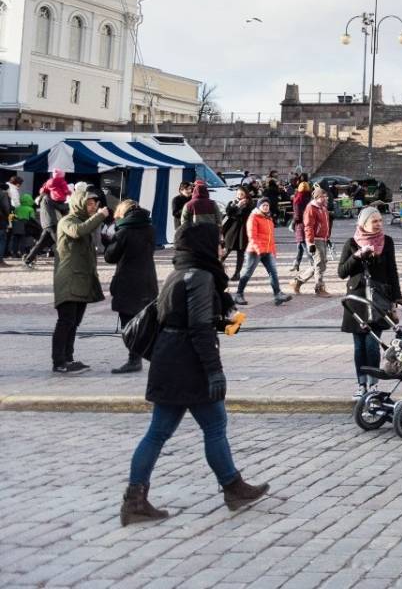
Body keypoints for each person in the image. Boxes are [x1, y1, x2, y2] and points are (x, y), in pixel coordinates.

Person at [120, 222, 269, 526]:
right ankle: (232, 488)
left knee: (159, 432)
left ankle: (134, 500)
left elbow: (182, 319)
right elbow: (199, 329)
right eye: (217, 243)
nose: (222, 248)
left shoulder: (179, 272)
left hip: (168, 360)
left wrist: (222, 323)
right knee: (214, 426)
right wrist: (215, 371)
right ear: (203, 246)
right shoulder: (200, 276)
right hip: (189, 363)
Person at [339, 206, 402, 396]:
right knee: (359, 346)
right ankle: (361, 385)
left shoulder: (387, 242)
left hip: (378, 302)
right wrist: (357, 256)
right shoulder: (351, 243)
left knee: (372, 344)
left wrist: (397, 298)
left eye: (380, 221)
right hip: (357, 302)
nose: (378, 224)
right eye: (374, 221)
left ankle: (373, 384)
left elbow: (392, 271)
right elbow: (342, 272)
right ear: (363, 223)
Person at [52, 184, 108, 373]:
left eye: (95, 204)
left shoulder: (86, 222)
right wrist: (99, 216)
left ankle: (69, 358)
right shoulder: (68, 220)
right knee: (66, 321)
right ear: (79, 203)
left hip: (81, 281)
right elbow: (78, 231)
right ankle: (59, 361)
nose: (93, 207)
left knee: (74, 322)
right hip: (68, 280)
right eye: (90, 204)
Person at [104, 200, 159, 374]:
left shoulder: (124, 232)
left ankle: (134, 360)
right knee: (144, 322)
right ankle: (149, 356)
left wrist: (109, 240)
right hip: (148, 280)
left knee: (129, 324)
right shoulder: (150, 228)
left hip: (128, 282)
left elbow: (110, 257)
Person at [234, 199, 292, 307]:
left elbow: (271, 238)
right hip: (255, 251)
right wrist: (259, 250)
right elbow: (252, 236)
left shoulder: (268, 218)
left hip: (267, 250)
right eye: (263, 205)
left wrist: (273, 251)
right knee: (247, 273)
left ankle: (278, 294)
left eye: (267, 205)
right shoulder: (253, 217)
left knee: (273, 272)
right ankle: (238, 294)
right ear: (259, 206)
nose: (266, 207)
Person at [26, 169, 71, 268]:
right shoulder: (47, 198)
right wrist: (68, 204)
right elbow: (60, 207)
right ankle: (69, 262)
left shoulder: (43, 198)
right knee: (61, 242)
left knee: (41, 244)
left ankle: (28, 260)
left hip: (47, 223)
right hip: (52, 222)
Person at [295, 186, 333, 297]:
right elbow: (308, 226)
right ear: (316, 197)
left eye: (325, 196)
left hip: (322, 238)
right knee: (320, 264)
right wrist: (310, 242)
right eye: (322, 196)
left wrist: (327, 237)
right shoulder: (311, 208)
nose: (325, 198)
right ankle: (319, 288)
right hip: (315, 239)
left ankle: (298, 281)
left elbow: (325, 224)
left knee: (320, 263)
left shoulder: (323, 208)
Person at [220, 185, 253, 279]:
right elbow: (229, 213)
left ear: (246, 195)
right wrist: (238, 206)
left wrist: (238, 209)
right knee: (226, 250)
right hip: (232, 230)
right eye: (238, 193)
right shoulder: (232, 203)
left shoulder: (249, 204)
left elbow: (243, 215)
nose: (239, 196)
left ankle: (237, 273)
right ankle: (216, 268)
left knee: (240, 252)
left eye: (242, 194)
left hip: (243, 231)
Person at [290, 181, 312, 275]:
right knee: (300, 245)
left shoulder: (298, 199)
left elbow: (298, 215)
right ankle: (296, 263)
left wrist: (293, 223)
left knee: (303, 244)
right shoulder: (310, 198)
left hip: (300, 224)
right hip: (308, 223)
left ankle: (313, 263)